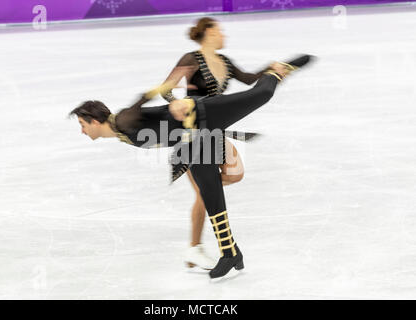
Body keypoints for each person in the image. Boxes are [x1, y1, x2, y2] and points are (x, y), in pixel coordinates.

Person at [69, 54, 313, 278]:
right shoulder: (120, 133)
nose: (81, 130)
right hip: (193, 140)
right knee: (210, 191)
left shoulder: (121, 120)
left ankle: (278, 70)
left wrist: (169, 94)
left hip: (202, 115)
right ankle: (231, 253)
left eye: (82, 124)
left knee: (259, 95)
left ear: (95, 120)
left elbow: (140, 103)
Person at [160, 17, 290, 269]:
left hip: (216, 131)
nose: (224, 35)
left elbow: (250, 79)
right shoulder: (190, 59)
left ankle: (196, 247)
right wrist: (176, 104)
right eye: (220, 31)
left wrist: (271, 69)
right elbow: (166, 89)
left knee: (231, 177)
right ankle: (197, 249)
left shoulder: (225, 62)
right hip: (193, 134)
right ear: (208, 33)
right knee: (203, 193)